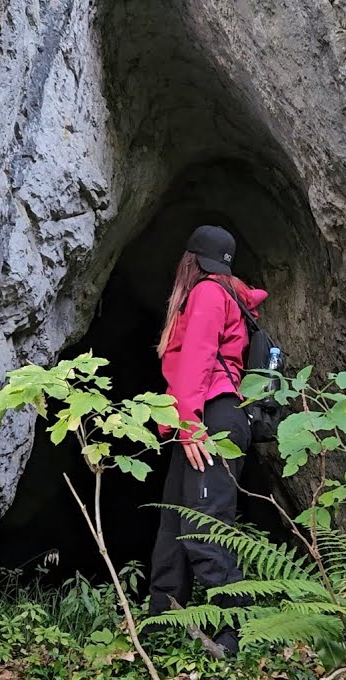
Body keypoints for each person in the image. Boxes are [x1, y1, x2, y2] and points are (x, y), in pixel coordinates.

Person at [149, 225, 267, 655]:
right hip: (209, 415)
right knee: (173, 528)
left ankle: (235, 633)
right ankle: (162, 626)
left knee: (203, 528)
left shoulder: (208, 294)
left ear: (190, 260)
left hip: (208, 416)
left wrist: (188, 424)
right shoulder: (233, 294)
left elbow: (197, 356)